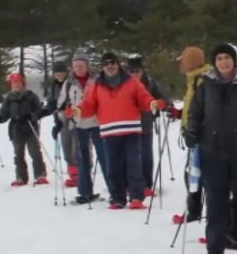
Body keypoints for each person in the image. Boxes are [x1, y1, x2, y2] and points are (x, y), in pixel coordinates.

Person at [184, 44, 237, 254]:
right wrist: (192, 130)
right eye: (219, 58)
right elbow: (196, 112)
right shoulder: (206, 84)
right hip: (213, 149)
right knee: (216, 202)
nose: (224, 62)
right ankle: (214, 251)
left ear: (234, 60)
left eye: (227, 57)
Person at [73, 52, 164, 209]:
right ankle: (117, 198)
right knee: (113, 166)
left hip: (132, 130)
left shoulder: (131, 82)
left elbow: (143, 97)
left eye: (113, 63)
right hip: (109, 132)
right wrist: (79, 110)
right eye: (107, 63)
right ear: (102, 67)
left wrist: (151, 104)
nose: (110, 66)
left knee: (134, 164)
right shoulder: (96, 85)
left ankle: (136, 197)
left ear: (118, 64)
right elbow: (88, 103)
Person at [58, 54, 105, 204]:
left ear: (87, 66)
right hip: (78, 124)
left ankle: (116, 190)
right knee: (82, 158)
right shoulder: (68, 83)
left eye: (81, 66)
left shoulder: (97, 80)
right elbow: (61, 105)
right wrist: (63, 117)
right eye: (76, 66)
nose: (78, 69)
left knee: (105, 157)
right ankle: (85, 192)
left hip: (97, 122)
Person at [175, 46, 213, 224]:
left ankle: (197, 211)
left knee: (198, 174)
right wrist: (180, 114)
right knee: (192, 173)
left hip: (201, 135)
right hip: (192, 132)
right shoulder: (193, 79)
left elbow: (203, 108)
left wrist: (193, 128)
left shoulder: (202, 79)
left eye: (183, 61)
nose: (181, 65)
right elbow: (192, 106)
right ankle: (194, 210)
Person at [127, 55, 170, 198]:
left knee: (146, 156)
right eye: (131, 71)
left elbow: (164, 98)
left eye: (137, 71)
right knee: (130, 157)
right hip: (127, 126)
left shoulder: (150, 84)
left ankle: (146, 185)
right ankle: (130, 184)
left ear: (142, 71)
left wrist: (163, 105)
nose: (134, 74)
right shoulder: (122, 84)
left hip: (145, 125)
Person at [0, 72, 48, 187]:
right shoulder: (9, 98)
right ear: (11, 84)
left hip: (30, 126)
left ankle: (40, 175)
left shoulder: (31, 96)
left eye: (18, 82)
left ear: (23, 83)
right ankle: (21, 177)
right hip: (16, 127)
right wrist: (0, 117)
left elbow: (39, 111)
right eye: (14, 83)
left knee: (34, 151)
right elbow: (5, 112)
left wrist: (31, 115)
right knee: (18, 153)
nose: (17, 85)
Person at [41, 60, 77, 188]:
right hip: (61, 120)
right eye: (57, 73)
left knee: (77, 149)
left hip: (76, 118)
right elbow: (52, 103)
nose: (59, 75)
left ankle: (81, 175)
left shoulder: (73, 83)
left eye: (62, 72)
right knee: (67, 147)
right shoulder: (54, 86)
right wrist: (42, 112)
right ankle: (73, 176)